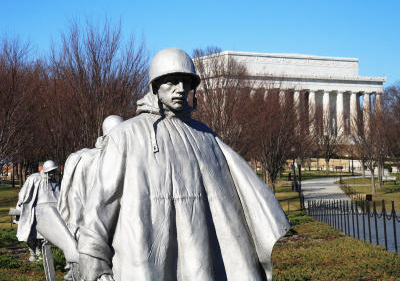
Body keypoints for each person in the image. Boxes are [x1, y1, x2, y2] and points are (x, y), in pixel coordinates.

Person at [78, 48, 290, 281]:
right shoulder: (126, 135)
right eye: (172, 82)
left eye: (186, 82)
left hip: (200, 255)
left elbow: (235, 195)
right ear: (155, 86)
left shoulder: (205, 136)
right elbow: (102, 202)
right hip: (145, 252)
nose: (180, 89)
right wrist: (93, 260)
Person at [58, 115, 124, 240]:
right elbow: (76, 199)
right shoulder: (86, 159)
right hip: (92, 230)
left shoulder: (126, 158)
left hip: (107, 230)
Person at [16, 160, 61, 261]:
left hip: (49, 214)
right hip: (34, 212)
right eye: (50, 171)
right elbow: (24, 192)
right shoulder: (34, 178)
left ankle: (41, 252)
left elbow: (60, 197)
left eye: (54, 171)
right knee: (31, 233)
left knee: (44, 235)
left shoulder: (54, 183)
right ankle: (33, 252)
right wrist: (20, 202)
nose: (52, 174)